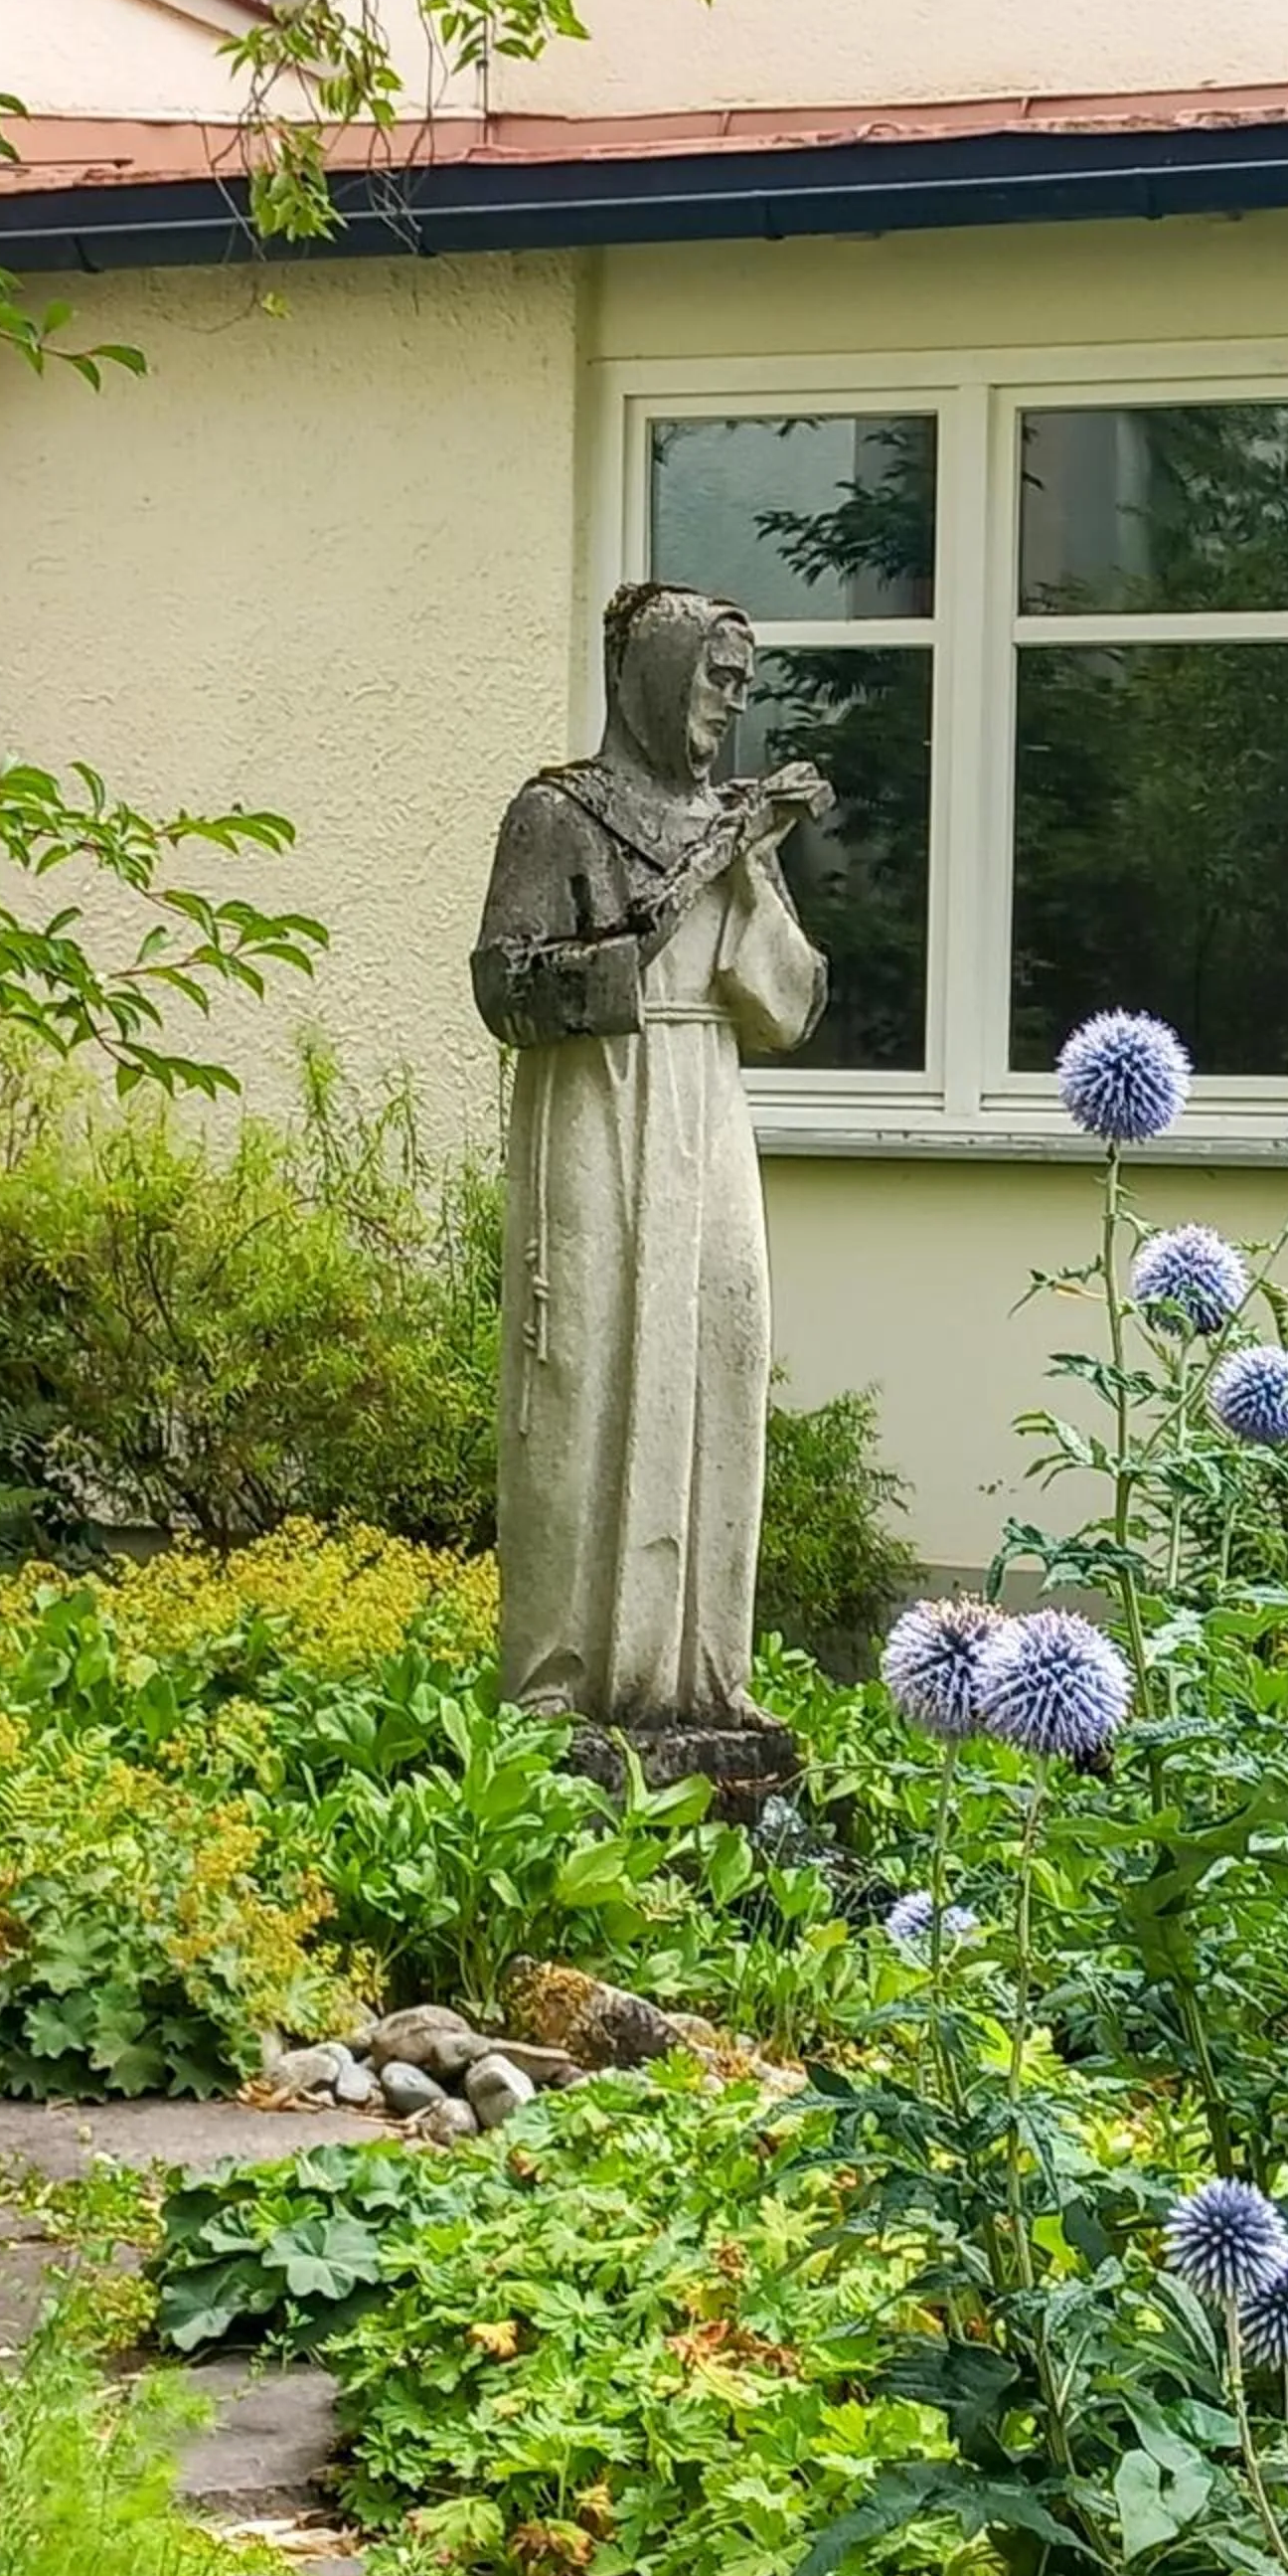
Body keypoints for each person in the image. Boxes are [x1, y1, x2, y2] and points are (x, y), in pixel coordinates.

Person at [472, 583, 831, 1753]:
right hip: (598, 1106)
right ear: (657, 669)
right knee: (586, 1366)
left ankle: (701, 1671)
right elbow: (507, 988)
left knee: (717, 1354)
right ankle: (562, 1681)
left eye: (742, 687)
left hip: (709, 1106)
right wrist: (709, 858)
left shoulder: (729, 819)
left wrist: (747, 867)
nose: (730, 705)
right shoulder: (559, 814)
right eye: (716, 677)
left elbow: (783, 1005)